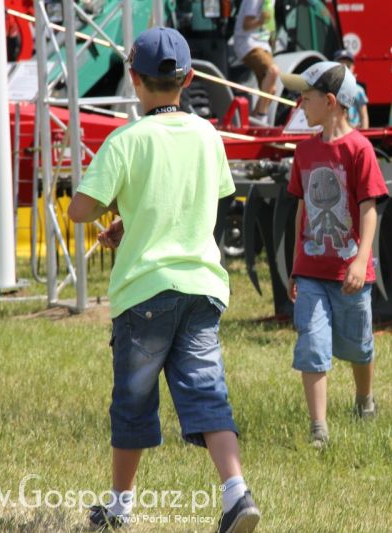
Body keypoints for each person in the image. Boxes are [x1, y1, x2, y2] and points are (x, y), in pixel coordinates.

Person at [67, 27, 260, 532]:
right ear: (189, 78)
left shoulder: (125, 140)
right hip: (201, 289)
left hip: (146, 293)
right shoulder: (206, 135)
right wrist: (131, 219)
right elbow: (197, 200)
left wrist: (109, 201)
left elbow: (79, 210)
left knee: (133, 402)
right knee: (206, 392)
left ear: (134, 79)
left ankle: (120, 507)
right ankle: (236, 493)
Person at [280, 61, 389, 449]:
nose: (299, 104)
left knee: (359, 346)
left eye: (305, 98)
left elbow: (369, 208)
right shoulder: (304, 151)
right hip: (311, 270)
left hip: (349, 272)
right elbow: (300, 212)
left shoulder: (360, 149)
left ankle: (364, 400)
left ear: (329, 102)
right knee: (311, 343)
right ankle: (318, 429)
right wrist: (296, 266)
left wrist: (361, 259)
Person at [233, 0, 280, 124]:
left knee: (272, 89)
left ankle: (253, 120)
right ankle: (262, 116)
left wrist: (272, 37)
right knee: (273, 71)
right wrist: (261, 21)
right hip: (248, 44)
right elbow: (246, 25)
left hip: (264, 45)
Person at [333, 48, 369, 129]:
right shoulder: (330, 88)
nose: (345, 69)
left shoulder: (358, 90)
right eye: (341, 65)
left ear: (353, 68)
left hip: (354, 130)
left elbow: (364, 115)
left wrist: (365, 135)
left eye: (348, 66)